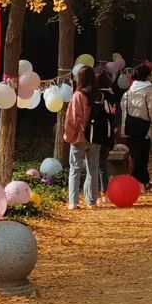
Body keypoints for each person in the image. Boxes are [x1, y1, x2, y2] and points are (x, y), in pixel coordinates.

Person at [120, 63, 152, 191]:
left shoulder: (127, 93)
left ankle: (144, 181)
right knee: (142, 157)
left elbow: (124, 111)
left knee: (135, 156)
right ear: (148, 76)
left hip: (130, 127)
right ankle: (135, 183)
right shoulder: (150, 91)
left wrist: (123, 128)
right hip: (144, 128)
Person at [63, 66, 100, 209]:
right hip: (95, 137)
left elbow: (72, 119)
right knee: (93, 169)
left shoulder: (78, 95)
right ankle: (92, 201)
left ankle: (73, 202)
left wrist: (68, 137)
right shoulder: (98, 95)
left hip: (79, 138)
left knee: (75, 169)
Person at [91, 69, 118, 196]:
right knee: (103, 163)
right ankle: (104, 192)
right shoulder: (111, 95)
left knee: (94, 164)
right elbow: (113, 116)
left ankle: (95, 191)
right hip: (108, 133)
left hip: (95, 134)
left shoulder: (94, 95)